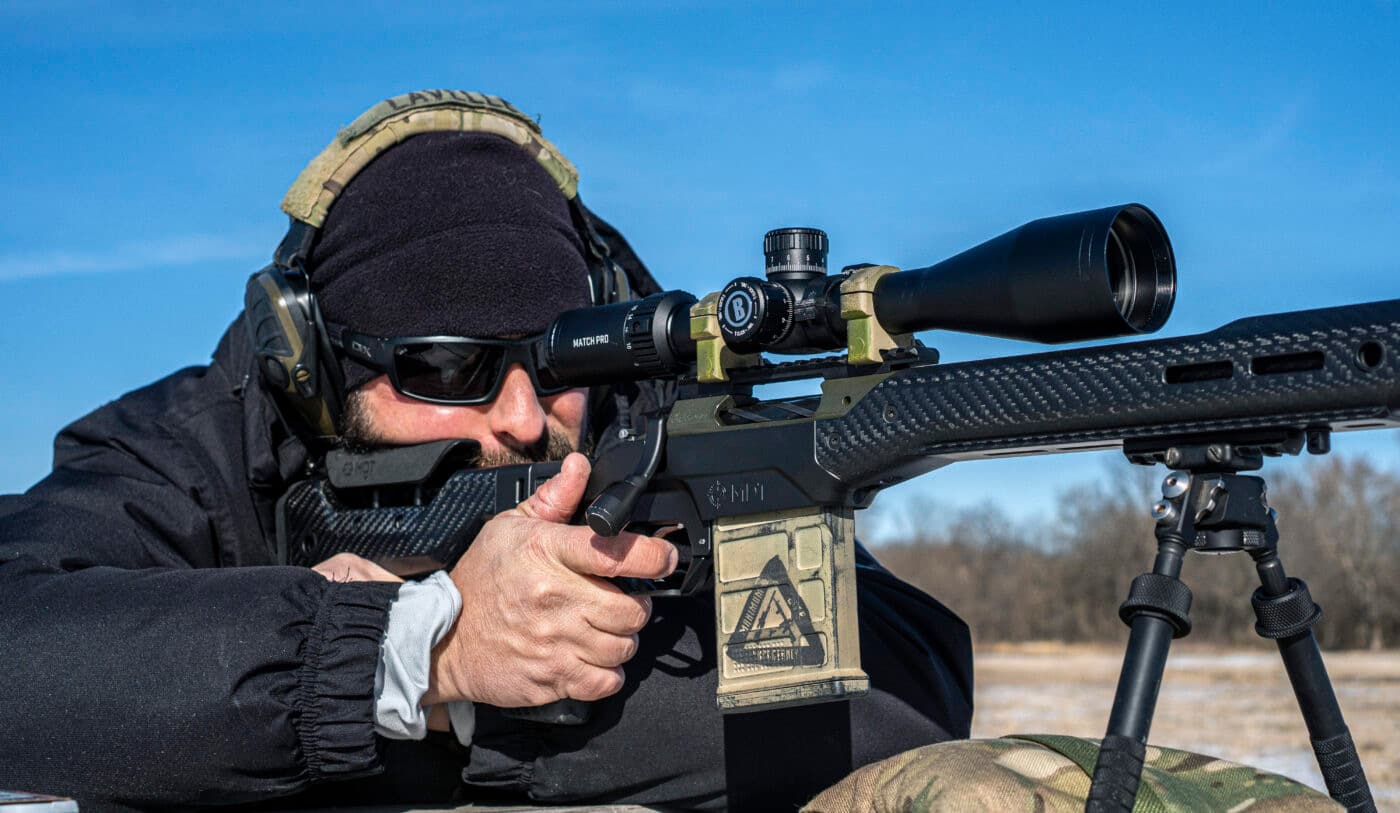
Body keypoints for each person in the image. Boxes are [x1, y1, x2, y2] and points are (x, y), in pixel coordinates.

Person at [0, 91, 973, 812]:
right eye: (443, 370)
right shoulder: (197, 445)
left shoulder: (651, 428)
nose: (519, 417)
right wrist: (416, 656)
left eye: (553, 363)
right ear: (315, 367)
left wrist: (700, 571)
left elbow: (903, 697)